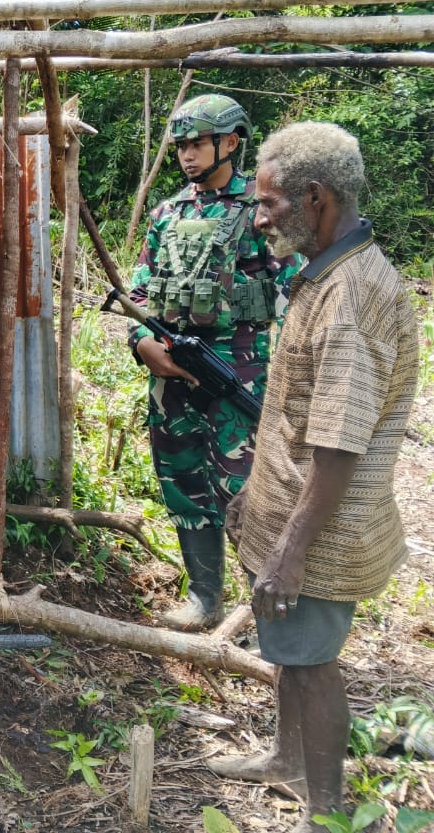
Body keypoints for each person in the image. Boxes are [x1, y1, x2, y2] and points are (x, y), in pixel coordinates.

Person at [207, 122, 418, 829]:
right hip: (295, 513)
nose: (258, 215)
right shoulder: (326, 272)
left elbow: (337, 443)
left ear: (315, 198)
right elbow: (300, 415)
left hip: (323, 531)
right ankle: (286, 761)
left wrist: (291, 551)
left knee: (315, 661)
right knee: (291, 653)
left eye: (268, 203)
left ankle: (324, 808)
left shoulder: (351, 295)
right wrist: (254, 494)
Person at [128, 94, 298, 631]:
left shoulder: (265, 210)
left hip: (239, 371)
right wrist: (140, 342)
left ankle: (263, 616)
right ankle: (205, 600)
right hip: (172, 375)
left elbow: (297, 285)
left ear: (230, 142)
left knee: (247, 494)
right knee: (183, 483)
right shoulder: (169, 213)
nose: (187, 155)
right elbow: (138, 289)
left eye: (197, 143)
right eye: (180, 145)